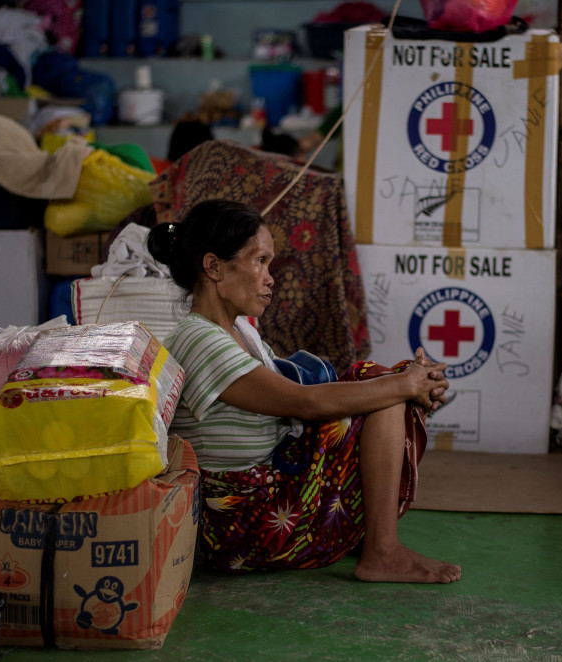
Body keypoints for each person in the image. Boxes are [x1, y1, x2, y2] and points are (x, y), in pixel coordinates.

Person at [147, 199, 461, 584]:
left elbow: (304, 393)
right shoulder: (198, 339)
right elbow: (304, 402)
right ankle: (382, 551)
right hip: (240, 523)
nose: (270, 277)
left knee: (378, 383)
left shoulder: (239, 332)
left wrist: (407, 383)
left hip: (265, 495)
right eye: (259, 260)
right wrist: (404, 383)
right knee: (381, 384)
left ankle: (379, 544)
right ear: (213, 267)